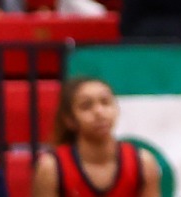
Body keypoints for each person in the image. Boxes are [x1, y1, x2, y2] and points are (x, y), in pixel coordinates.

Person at [30, 76, 161, 197]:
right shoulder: (51, 168)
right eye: (86, 106)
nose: (99, 112)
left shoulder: (143, 163)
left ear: (116, 108)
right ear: (69, 119)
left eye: (105, 102)